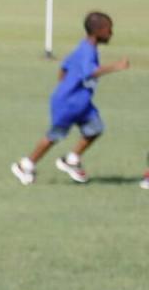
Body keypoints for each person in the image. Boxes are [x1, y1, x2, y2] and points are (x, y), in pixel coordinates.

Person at [11, 11, 129, 186]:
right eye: (109, 30)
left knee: (95, 129)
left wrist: (64, 84)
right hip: (69, 104)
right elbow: (90, 71)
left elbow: (64, 66)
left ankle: (71, 160)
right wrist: (116, 66)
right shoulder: (87, 50)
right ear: (99, 31)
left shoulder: (85, 46)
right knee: (54, 136)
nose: (111, 33)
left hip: (82, 103)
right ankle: (25, 165)